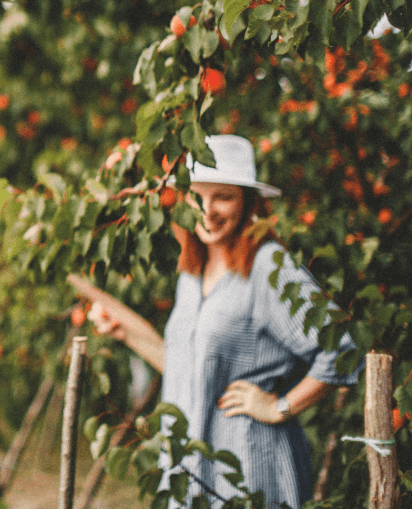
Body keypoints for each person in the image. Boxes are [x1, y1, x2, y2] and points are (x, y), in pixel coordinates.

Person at [87, 135, 358, 509]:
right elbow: (188, 368)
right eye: (197, 196)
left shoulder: (266, 266)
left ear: (248, 201)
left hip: (248, 468)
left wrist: (279, 406)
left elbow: (342, 349)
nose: (207, 210)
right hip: (191, 472)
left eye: (223, 197)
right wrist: (125, 332)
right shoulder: (192, 272)